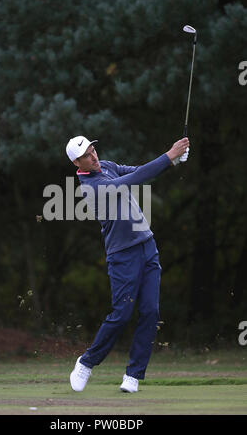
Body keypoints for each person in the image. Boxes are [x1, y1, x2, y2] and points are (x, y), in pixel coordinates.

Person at [66, 135, 189, 393]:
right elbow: (135, 180)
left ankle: (133, 375)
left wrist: (173, 162)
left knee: (150, 312)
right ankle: (87, 362)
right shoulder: (91, 188)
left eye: (93, 150)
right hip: (122, 256)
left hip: (147, 247)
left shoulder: (106, 166)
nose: (94, 156)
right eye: (87, 155)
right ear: (78, 162)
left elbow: (138, 171)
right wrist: (169, 154)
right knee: (121, 314)